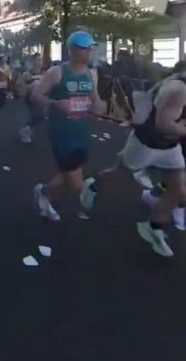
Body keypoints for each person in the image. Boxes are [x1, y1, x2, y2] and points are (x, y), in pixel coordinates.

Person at [80, 64, 186, 257]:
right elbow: (163, 125)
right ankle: (93, 185)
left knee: (178, 190)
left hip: (170, 147)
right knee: (119, 174)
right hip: (147, 143)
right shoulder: (179, 90)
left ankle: (153, 227)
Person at [31, 31, 106, 222]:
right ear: (72, 50)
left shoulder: (92, 74)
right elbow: (36, 96)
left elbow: (96, 100)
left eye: (91, 48)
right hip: (61, 133)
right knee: (75, 183)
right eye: (85, 48)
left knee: (68, 173)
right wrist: (56, 104)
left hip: (82, 131)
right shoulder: (56, 72)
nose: (90, 52)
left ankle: (45, 193)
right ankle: (57, 195)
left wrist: (99, 106)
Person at [17, 62, 45, 144]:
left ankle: (26, 130)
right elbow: (23, 83)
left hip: (36, 96)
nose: (39, 64)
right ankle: (25, 130)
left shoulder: (39, 74)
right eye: (37, 61)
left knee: (39, 115)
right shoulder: (28, 74)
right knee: (38, 115)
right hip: (31, 97)